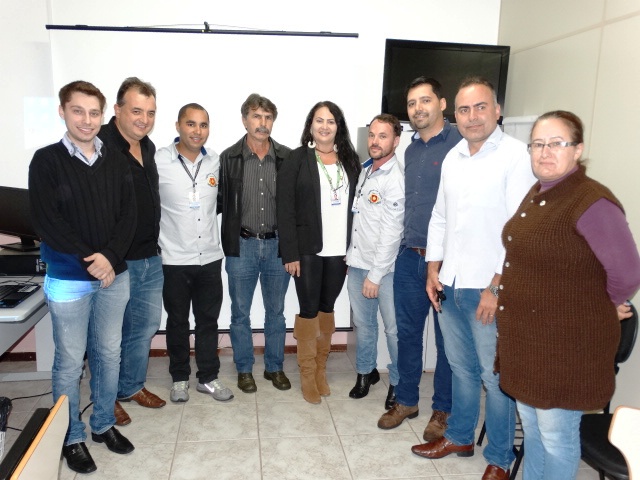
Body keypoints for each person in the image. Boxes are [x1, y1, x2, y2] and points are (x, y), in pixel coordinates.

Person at [496, 110, 640, 480]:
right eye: (537, 144)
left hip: (566, 350)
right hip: (529, 343)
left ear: (577, 150)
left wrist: (604, 305)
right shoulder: (540, 193)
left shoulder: (592, 202)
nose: (545, 152)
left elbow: (627, 273)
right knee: (534, 432)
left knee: (556, 438)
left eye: (556, 143)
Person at [414, 76, 537, 480]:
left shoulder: (516, 157)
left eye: (480, 107)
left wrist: (496, 286)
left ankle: (500, 458)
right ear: (455, 115)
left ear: (497, 111)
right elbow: (440, 216)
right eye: (464, 110)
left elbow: (520, 228)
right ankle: (460, 437)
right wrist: (433, 269)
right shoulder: (454, 157)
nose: (472, 116)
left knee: (494, 377)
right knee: (461, 369)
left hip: (489, 289)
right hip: (450, 283)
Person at [29, 80, 136, 474]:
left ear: (103, 115)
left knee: (109, 354)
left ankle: (103, 424)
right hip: (69, 280)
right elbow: (48, 221)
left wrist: (110, 257)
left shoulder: (118, 160)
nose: (87, 120)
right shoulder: (46, 161)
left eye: (94, 113)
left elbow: (129, 216)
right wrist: (93, 261)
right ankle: (70, 436)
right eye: (78, 111)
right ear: (63, 111)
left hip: (114, 277)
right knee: (70, 362)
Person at [377, 77, 461, 440]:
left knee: (447, 342)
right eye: (412, 103)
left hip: (446, 263)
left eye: (425, 101)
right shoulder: (409, 151)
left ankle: (442, 410)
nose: (417, 108)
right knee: (408, 335)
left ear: (442, 103)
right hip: (410, 257)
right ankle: (407, 400)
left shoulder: (460, 145)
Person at [277, 100, 361, 404]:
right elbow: (284, 207)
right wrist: (290, 253)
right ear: (311, 125)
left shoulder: (350, 160)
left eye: (331, 121)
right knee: (309, 310)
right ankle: (307, 374)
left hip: (341, 251)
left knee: (328, 308)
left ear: (338, 127)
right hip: (308, 251)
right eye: (319, 120)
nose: (325, 126)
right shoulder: (297, 158)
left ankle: (321, 370)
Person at [98, 77, 165, 427]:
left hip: (150, 255)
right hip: (117, 260)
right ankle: (105, 399)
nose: (144, 119)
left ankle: (131, 386)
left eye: (150, 113)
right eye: (137, 111)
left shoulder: (148, 147)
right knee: (109, 336)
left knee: (144, 327)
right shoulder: (100, 146)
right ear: (118, 109)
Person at [156, 103, 234, 404]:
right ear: (178, 126)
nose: (197, 131)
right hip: (174, 259)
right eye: (191, 124)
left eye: (203, 125)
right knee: (177, 322)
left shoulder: (215, 161)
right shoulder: (159, 160)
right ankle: (179, 379)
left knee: (208, 322)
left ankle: (208, 378)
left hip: (210, 257)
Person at [218, 94, 292, 393]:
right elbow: (219, 202)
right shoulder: (229, 158)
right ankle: (244, 369)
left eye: (268, 117)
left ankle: (274, 367)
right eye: (256, 116)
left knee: (276, 312)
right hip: (242, 245)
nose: (263, 123)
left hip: (277, 247)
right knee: (240, 313)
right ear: (244, 120)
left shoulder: (287, 158)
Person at [346, 114, 404, 407]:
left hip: (384, 270)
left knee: (393, 330)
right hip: (358, 262)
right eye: (372, 135)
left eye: (383, 136)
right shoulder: (367, 170)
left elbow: (392, 233)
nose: (375, 141)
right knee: (364, 325)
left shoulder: (396, 178)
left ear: (396, 140)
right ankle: (365, 373)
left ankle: (398, 383)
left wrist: (375, 274)